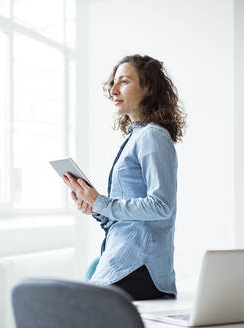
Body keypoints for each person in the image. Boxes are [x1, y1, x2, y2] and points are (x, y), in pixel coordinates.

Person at [63, 54, 186, 300]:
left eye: (124, 81)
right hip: (122, 265)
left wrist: (102, 203)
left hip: (139, 270)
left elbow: (162, 206)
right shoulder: (137, 136)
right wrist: (96, 209)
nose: (114, 89)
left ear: (148, 87)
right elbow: (131, 223)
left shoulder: (152, 136)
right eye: (113, 82)